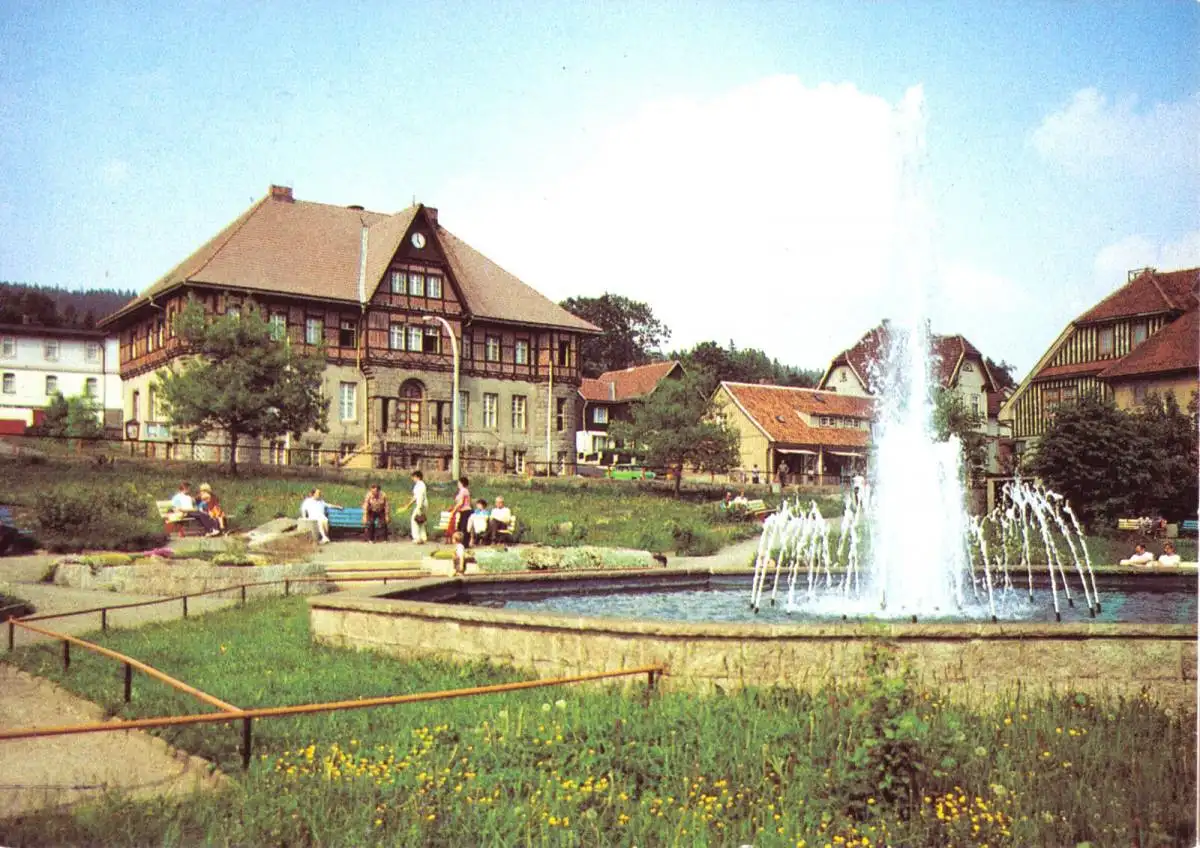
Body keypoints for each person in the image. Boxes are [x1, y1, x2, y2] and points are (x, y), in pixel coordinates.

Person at [399, 470, 429, 544]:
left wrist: (419, 507)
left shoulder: (421, 485)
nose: (413, 479)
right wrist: (408, 505)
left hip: (421, 504)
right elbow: (415, 497)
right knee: (420, 520)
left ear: (417, 477)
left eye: (413, 477)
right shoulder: (418, 485)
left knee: (414, 520)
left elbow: (420, 497)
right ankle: (423, 537)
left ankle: (417, 538)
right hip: (421, 504)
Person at [449, 476, 472, 548]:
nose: (458, 484)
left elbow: (461, 502)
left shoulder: (463, 490)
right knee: (461, 526)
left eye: (458, 482)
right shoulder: (463, 491)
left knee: (463, 528)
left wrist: (454, 509)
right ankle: (461, 543)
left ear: (461, 483)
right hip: (462, 511)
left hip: (465, 511)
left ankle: (464, 544)